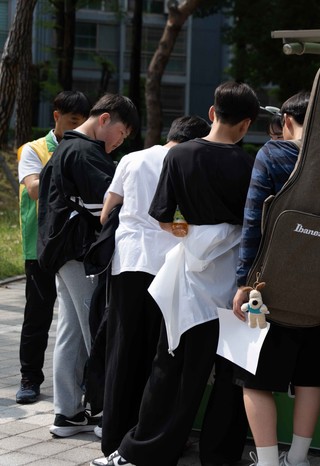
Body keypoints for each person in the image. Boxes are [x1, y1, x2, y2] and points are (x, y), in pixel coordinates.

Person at [92, 81, 259, 466]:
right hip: (238, 279)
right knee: (232, 372)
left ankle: (147, 451)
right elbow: (257, 223)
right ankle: (220, 456)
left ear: (213, 113)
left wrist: (195, 234)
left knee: (173, 369)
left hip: (191, 280)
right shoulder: (250, 163)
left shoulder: (180, 155)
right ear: (246, 124)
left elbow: (164, 217)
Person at [231, 91, 320, 466]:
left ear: (286, 120)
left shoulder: (272, 154)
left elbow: (254, 221)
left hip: (271, 288)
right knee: (310, 378)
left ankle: (267, 461)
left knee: (255, 378)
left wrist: (244, 281)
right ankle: (297, 459)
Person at [98, 116, 210, 456]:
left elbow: (106, 211)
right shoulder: (189, 164)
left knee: (122, 351)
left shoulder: (132, 159)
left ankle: (112, 435)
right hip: (169, 269)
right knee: (160, 357)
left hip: (129, 263)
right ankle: (147, 435)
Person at [37, 94, 139, 437]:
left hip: (62, 253)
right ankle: (107, 415)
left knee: (71, 332)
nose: (120, 142)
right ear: (105, 119)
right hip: (80, 253)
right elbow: (107, 207)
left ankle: (68, 413)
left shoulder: (66, 148)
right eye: (121, 133)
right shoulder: (84, 152)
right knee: (96, 331)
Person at [15, 91, 90, 404]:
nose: (77, 127)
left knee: (80, 320)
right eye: (72, 121)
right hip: (41, 247)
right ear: (56, 116)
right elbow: (34, 189)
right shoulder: (33, 150)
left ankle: (84, 381)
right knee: (38, 315)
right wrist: (66, 160)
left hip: (75, 247)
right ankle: (30, 378)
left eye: (82, 122)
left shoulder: (87, 149)